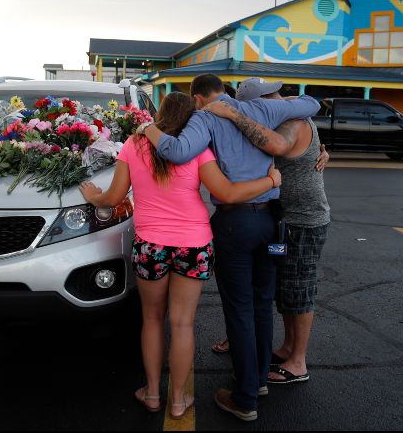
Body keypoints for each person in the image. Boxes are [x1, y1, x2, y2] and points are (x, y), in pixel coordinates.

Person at [79, 91, 282, 421]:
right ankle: (177, 400)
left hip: (151, 245)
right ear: (191, 119)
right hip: (193, 244)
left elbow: (114, 198)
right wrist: (270, 180)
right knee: (183, 323)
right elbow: (227, 193)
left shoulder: (135, 143)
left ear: (160, 114)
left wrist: (94, 195)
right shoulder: (198, 150)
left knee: (152, 319)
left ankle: (152, 394)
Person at [139, 74, 320, 421]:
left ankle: (246, 397)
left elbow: (176, 152)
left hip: (235, 222)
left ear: (199, 98)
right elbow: (311, 103)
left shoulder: (204, 117)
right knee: (262, 303)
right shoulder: (261, 108)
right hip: (270, 221)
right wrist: (275, 107)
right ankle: (258, 379)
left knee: (239, 309)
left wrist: (149, 129)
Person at [202, 77, 330, 386]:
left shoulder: (292, 122)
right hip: (280, 220)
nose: (280, 99)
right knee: (282, 289)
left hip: (304, 220)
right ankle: (283, 347)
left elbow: (276, 145)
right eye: (272, 95)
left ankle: (297, 361)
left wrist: (233, 115)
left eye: (277, 94)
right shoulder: (279, 120)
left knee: (299, 290)